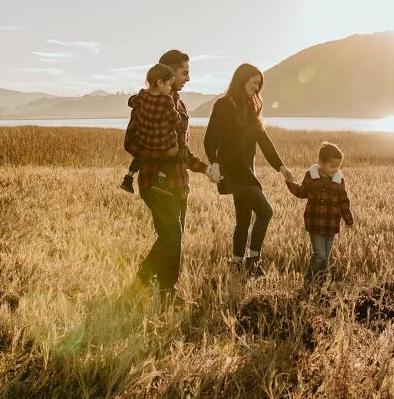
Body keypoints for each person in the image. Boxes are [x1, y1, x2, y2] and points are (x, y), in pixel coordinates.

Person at [124, 50, 221, 305]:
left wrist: (204, 169)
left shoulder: (179, 105)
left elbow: (182, 150)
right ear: (167, 72)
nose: (188, 78)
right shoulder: (146, 105)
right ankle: (168, 295)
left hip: (179, 184)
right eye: (184, 73)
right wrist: (159, 155)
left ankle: (140, 283)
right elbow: (130, 143)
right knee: (172, 238)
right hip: (156, 182)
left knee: (170, 238)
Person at [204, 63, 294, 278]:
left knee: (243, 220)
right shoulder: (224, 105)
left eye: (259, 84)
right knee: (266, 212)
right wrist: (214, 163)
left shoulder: (250, 108)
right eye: (254, 82)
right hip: (232, 172)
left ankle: (236, 263)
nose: (257, 88)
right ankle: (253, 262)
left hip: (247, 170)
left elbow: (264, 140)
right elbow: (210, 138)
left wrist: (281, 167)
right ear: (242, 80)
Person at [285, 142, 354, 288]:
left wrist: (348, 220)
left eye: (338, 166)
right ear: (321, 163)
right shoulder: (311, 176)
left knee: (326, 258)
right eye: (332, 166)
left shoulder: (339, 180)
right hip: (315, 223)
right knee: (319, 255)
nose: (336, 169)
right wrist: (290, 183)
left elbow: (343, 201)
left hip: (331, 224)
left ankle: (322, 284)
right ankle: (308, 281)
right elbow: (302, 192)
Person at [121, 63, 179, 197]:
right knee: (170, 156)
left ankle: (128, 179)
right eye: (170, 84)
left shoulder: (142, 95)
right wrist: (177, 116)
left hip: (144, 140)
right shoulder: (166, 101)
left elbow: (131, 102)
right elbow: (174, 119)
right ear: (160, 82)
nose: (171, 88)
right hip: (160, 143)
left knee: (139, 157)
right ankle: (160, 181)